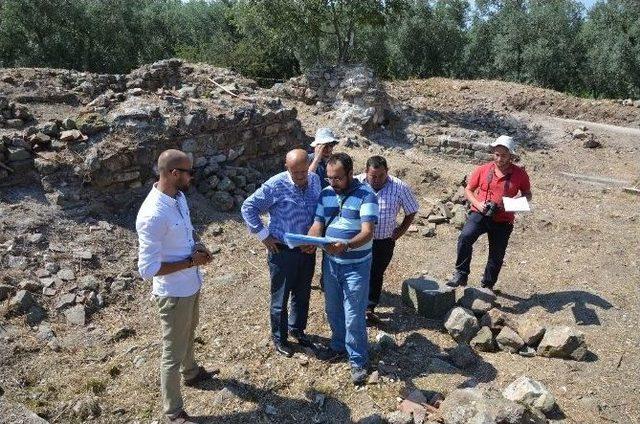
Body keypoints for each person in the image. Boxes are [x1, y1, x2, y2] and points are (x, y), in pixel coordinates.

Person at [136, 149, 215, 424]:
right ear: (173, 173)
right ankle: (173, 411)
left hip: (190, 285)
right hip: (172, 293)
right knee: (172, 352)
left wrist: (198, 249)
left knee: (189, 331)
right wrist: (190, 262)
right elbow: (146, 269)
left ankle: (192, 372)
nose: (192, 177)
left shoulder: (178, 197)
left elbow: (185, 233)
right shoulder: (152, 215)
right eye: (189, 172)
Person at [241, 149, 322, 358]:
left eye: (304, 171)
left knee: (302, 294)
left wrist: (315, 237)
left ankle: (297, 329)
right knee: (281, 297)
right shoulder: (275, 184)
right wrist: (264, 235)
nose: (302, 176)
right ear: (287, 168)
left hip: (308, 249)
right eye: (296, 172)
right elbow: (248, 207)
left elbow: (318, 212)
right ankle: (280, 337)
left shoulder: (315, 180)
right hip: (282, 251)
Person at [307, 152, 379, 385]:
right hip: (331, 263)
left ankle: (358, 360)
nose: (332, 183)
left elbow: (368, 232)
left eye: (337, 178)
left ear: (349, 174)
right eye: (329, 178)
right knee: (333, 308)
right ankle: (338, 345)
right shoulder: (326, 193)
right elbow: (318, 223)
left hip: (356, 265)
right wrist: (311, 239)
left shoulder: (367, 195)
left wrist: (346, 245)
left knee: (354, 314)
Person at [446, 135, 532, 291]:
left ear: (511, 155)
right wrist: (478, 204)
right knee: (465, 237)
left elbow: (528, 194)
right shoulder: (483, 169)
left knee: (496, 255)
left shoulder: (520, 174)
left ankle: (487, 285)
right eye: (497, 154)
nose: (499, 159)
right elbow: (469, 190)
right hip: (480, 213)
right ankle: (461, 274)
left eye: (504, 155)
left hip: (504, 219)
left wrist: (513, 204)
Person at [356, 156, 419, 322]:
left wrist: (401, 230)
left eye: (381, 176)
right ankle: (354, 305)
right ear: (366, 172)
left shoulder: (399, 187)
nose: (376, 180)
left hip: (383, 241)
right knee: (357, 271)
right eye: (373, 176)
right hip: (358, 239)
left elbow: (411, 210)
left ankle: (369, 307)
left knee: (376, 272)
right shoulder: (356, 183)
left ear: (387, 172)